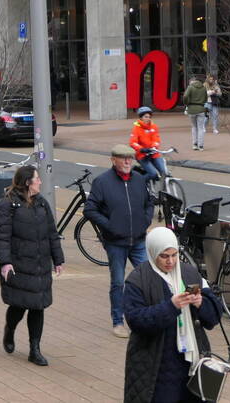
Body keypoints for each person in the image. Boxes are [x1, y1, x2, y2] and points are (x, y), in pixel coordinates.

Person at [123, 227, 222, 402]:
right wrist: (171, 306)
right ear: (153, 253)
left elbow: (213, 317)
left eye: (174, 255)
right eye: (164, 256)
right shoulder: (138, 280)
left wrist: (201, 303)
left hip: (191, 363)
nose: (170, 261)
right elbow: (136, 320)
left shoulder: (190, 273)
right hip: (156, 365)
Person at [0, 165, 64, 366]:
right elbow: (3, 237)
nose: (40, 181)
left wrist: (58, 259)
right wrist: (5, 262)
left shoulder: (42, 204)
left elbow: (52, 233)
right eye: (37, 178)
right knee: (19, 305)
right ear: (28, 182)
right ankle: (10, 329)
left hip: (40, 265)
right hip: (19, 264)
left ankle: (35, 350)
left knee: (38, 306)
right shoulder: (8, 206)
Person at [83, 144, 154, 338]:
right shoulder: (102, 182)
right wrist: (110, 226)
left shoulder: (139, 180)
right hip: (116, 243)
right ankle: (118, 322)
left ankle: (147, 317)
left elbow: (149, 203)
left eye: (130, 158)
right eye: (123, 158)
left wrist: (145, 220)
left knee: (148, 278)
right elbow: (90, 209)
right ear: (113, 160)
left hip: (138, 239)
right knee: (117, 282)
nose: (127, 162)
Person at [130, 106, 166, 182]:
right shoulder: (136, 128)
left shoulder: (153, 126)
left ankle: (165, 190)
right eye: (146, 117)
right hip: (142, 155)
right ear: (141, 118)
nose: (148, 119)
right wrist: (142, 149)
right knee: (153, 174)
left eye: (149, 117)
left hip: (153, 153)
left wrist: (154, 147)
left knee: (164, 172)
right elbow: (133, 142)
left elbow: (156, 139)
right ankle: (140, 184)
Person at [183, 76, 209, 151]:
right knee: (201, 128)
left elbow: (185, 96)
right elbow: (206, 99)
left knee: (194, 127)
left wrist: (186, 103)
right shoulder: (203, 88)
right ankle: (201, 145)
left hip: (191, 109)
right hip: (201, 109)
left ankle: (195, 144)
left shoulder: (190, 87)